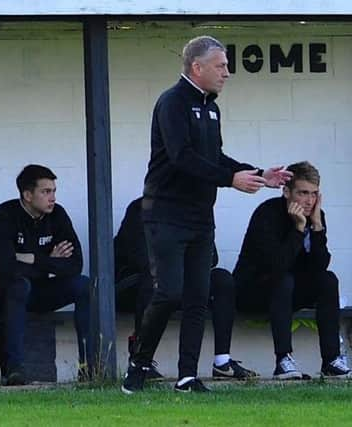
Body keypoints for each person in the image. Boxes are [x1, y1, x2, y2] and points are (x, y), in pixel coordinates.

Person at [121, 35, 292, 394]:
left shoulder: (211, 107)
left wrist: (260, 175)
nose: (227, 73)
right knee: (168, 292)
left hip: (201, 216)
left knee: (199, 296)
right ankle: (138, 362)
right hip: (166, 214)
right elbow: (182, 157)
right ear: (197, 68)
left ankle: (186, 376)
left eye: (227, 66)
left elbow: (215, 157)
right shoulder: (172, 102)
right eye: (221, 66)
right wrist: (230, 179)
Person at [115, 197, 257, 381]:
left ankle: (222, 362)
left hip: (182, 281)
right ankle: (141, 361)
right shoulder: (141, 209)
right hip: (137, 286)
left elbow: (211, 257)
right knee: (153, 280)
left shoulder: (196, 209)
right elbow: (141, 257)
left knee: (222, 279)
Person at [234, 161, 350, 379]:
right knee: (283, 279)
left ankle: (331, 359)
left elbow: (319, 267)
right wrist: (298, 229)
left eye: (314, 194)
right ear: (286, 191)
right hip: (252, 291)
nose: (309, 201)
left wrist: (316, 227)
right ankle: (283, 359)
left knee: (328, 280)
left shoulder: (316, 215)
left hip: (287, 290)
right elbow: (276, 266)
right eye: (303, 193)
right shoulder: (267, 214)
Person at [0, 164, 91, 385]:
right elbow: (5, 268)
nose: (52, 198)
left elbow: (75, 264)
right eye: (45, 192)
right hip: (10, 295)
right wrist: (51, 260)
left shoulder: (58, 214)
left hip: (42, 290)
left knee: (84, 285)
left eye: (53, 191)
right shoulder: (4, 215)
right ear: (27, 195)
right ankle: (14, 368)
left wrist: (32, 258)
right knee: (19, 285)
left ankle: (89, 367)